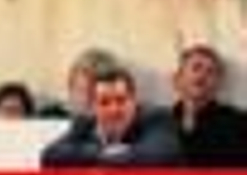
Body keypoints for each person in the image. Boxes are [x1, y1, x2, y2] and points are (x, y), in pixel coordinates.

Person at [39, 67, 183, 168]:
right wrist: (102, 152)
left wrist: (103, 157)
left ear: (134, 101)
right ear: (93, 107)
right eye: (104, 102)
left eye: (121, 100)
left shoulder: (157, 118)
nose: (113, 109)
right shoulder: (85, 124)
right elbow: (51, 156)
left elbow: (154, 158)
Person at [170, 44, 247, 168]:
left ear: (217, 83)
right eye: (196, 68)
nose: (202, 76)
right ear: (177, 78)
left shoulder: (238, 122)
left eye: (210, 72)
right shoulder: (160, 123)